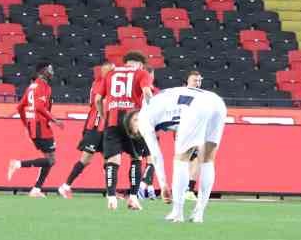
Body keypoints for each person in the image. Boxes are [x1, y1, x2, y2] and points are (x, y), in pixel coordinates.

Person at [132, 76, 227, 224]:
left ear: (133, 121)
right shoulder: (157, 101)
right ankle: (199, 213)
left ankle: (177, 213)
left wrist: (163, 185)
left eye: (135, 131)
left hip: (196, 106)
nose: (139, 134)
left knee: (181, 159)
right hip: (216, 102)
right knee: (208, 160)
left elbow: (156, 156)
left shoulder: (143, 119)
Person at [99, 51, 153, 211]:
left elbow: (98, 99)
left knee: (113, 160)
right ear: (141, 64)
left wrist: (104, 116)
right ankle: (133, 198)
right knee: (136, 158)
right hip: (132, 121)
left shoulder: (110, 73)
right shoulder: (141, 73)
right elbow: (147, 92)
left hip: (113, 120)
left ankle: (111, 198)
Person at [56, 61, 112, 199]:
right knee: (86, 159)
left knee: (110, 160)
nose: (113, 73)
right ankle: (65, 186)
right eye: (110, 70)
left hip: (106, 127)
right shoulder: (99, 83)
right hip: (95, 126)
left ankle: (111, 192)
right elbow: (99, 101)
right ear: (104, 71)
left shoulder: (108, 83)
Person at [6, 62, 56, 197]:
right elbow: (40, 107)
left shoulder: (31, 87)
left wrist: (26, 125)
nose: (51, 72)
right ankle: (17, 164)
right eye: (49, 69)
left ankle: (36, 189)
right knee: (51, 160)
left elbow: (19, 107)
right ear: (42, 72)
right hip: (41, 127)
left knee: (49, 159)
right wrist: (53, 119)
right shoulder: (43, 86)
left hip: (34, 127)